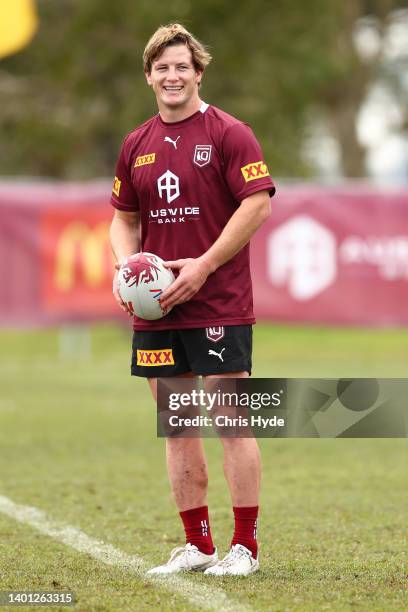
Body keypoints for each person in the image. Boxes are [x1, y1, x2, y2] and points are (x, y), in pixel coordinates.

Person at [109, 23, 275, 576]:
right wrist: (124, 272)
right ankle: (198, 544)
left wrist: (203, 267)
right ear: (149, 76)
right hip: (159, 312)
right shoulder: (136, 144)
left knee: (232, 420)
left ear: (198, 72)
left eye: (182, 66)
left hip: (220, 302)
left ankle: (244, 547)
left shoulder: (230, 133)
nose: (172, 76)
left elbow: (256, 205)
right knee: (177, 423)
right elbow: (123, 221)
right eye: (162, 68)